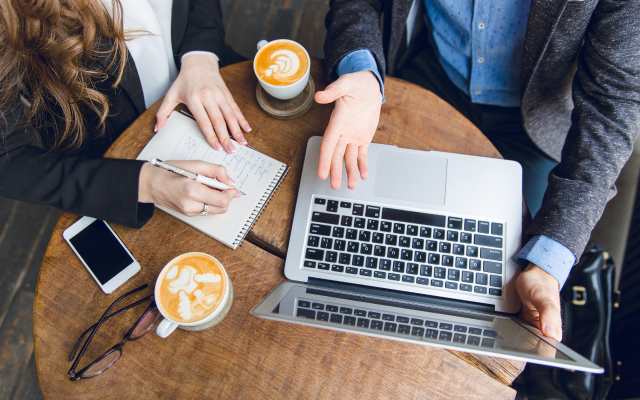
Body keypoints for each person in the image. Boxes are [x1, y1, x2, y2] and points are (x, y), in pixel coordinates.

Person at [315, 0, 640, 340]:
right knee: (362, 225)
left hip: (534, 123)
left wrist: (550, 262)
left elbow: (611, 103)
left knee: (493, 285)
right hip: (431, 72)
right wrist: (361, 69)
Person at [0, 0, 249, 228]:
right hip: (117, 153)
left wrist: (201, 55)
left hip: (213, 73)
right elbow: (6, 160)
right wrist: (145, 183)